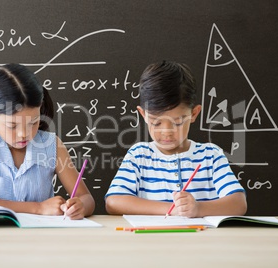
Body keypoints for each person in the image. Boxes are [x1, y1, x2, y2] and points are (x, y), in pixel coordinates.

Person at [105, 60, 247, 217]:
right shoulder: (139, 155)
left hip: (202, 240)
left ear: (194, 114)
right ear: (144, 115)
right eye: (156, 122)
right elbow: (113, 202)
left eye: (178, 122)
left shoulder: (210, 155)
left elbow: (238, 204)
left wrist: (198, 209)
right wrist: (172, 209)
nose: (166, 132)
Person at [0, 63, 95, 220]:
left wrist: (80, 206)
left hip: (41, 238)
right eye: (12, 126)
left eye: (33, 122)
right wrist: (38, 208)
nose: (24, 134)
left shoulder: (51, 145)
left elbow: (87, 198)